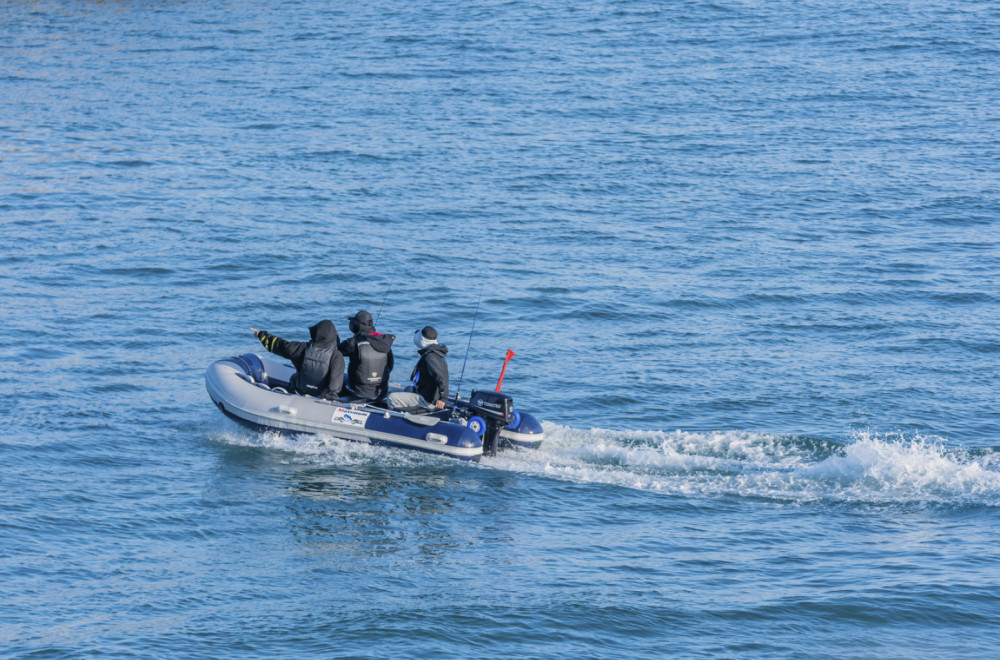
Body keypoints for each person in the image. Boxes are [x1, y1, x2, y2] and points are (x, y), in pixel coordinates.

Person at [250, 321, 344, 400]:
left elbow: (280, 345)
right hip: (322, 398)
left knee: (293, 378)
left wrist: (261, 335)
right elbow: (335, 382)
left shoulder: (301, 348)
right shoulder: (337, 356)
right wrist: (332, 399)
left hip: (300, 392)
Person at [338, 310, 395, 402]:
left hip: (358, 391)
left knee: (340, 377)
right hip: (382, 391)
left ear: (358, 325)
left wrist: (336, 338)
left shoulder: (353, 342)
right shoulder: (384, 343)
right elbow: (390, 365)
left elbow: (337, 351)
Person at [387, 326, 449, 412]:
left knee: (391, 398)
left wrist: (443, 399)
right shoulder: (437, 352)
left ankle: (398, 418)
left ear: (423, 340)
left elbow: (441, 377)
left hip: (428, 401)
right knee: (408, 389)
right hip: (426, 393)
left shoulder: (430, 357)